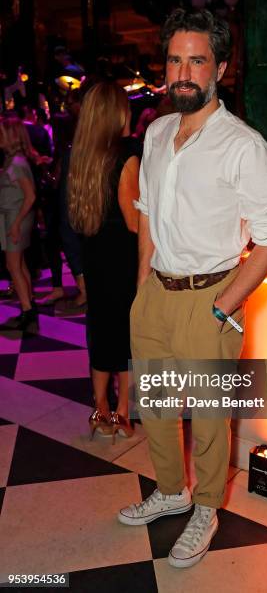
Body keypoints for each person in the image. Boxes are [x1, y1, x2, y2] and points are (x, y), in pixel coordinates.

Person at [118, 9, 267, 568]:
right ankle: (172, 489)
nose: (183, 71)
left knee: (211, 417)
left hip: (210, 297)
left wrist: (222, 307)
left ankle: (207, 507)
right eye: (174, 59)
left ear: (220, 67)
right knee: (160, 406)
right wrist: (143, 285)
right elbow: (146, 216)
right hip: (157, 294)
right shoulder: (157, 131)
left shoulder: (244, 147)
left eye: (197, 59)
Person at [68, 82, 141, 441]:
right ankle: (123, 413)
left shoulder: (81, 157)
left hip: (95, 257)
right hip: (123, 258)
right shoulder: (126, 155)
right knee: (126, 335)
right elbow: (134, 221)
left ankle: (100, 410)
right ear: (118, 113)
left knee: (100, 333)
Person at [0, 117, 37, 330]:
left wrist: (15, 224)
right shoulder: (14, 160)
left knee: (12, 266)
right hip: (14, 217)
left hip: (15, 218)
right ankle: (28, 307)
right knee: (19, 265)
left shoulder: (16, 163)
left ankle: (27, 311)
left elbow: (30, 196)